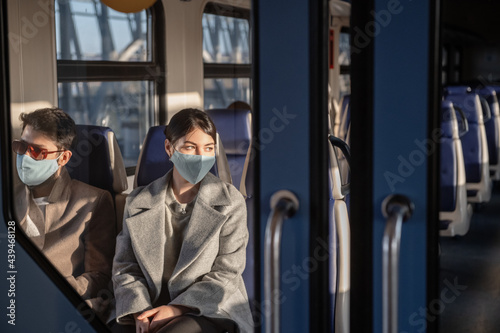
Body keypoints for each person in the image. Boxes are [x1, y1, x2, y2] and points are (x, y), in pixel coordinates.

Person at [112, 108, 253, 333]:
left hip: (209, 306)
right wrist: (139, 309)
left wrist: (177, 308)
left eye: (208, 149)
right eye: (190, 147)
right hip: (149, 303)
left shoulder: (230, 201)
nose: (200, 157)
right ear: (169, 148)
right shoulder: (138, 200)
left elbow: (227, 272)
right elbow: (125, 267)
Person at [12, 108, 116, 319]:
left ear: (63, 158)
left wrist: (50, 291)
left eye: (37, 152)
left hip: (57, 308)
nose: (25, 157)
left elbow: (99, 277)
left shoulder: (92, 201)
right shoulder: (8, 199)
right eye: (21, 147)